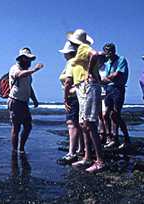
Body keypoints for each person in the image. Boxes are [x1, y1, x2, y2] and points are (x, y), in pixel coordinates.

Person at [64, 29, 105, 172]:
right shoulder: (79, 52)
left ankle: (99, 161)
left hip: (88, 87)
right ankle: (87, 157)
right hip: (82, 88)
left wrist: (89, 72)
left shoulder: (83, 48)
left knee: (89, 124)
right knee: (83, 124)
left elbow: (97, 54)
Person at [8, 47, 44, 153]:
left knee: (28, 127)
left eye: (30, 59)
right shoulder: (15, 68)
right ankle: (15, 150)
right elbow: (19, 75)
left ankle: (21, 148)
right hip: (15, 101)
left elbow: (29, 86)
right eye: (27, 59)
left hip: (24, 102)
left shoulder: (28, 73)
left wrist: (34, 99)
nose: (29, 61)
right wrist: (34, 70)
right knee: (16, 128)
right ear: (21, 59)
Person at [58, 41, 84, 163]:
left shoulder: (71, 63)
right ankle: (80, 148)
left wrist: (65, 98)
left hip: (73, 96)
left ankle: (71, 152)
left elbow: (68, 82)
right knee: (78, 123)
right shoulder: (80, 63)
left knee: (71, 123)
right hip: (80, 95)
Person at [102, 43, 130, 149]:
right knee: (106, 115)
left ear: (114, 50)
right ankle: (111, 137)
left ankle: (125, 138)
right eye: (106, 50)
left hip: (117, 88)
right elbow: (108, 78)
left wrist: (104, 80)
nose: (108, 52)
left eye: (110, 50)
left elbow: (116, 74)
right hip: (109, 89)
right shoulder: (107, 63)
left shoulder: (121, 59)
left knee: (115, 114)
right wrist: (105, 81)